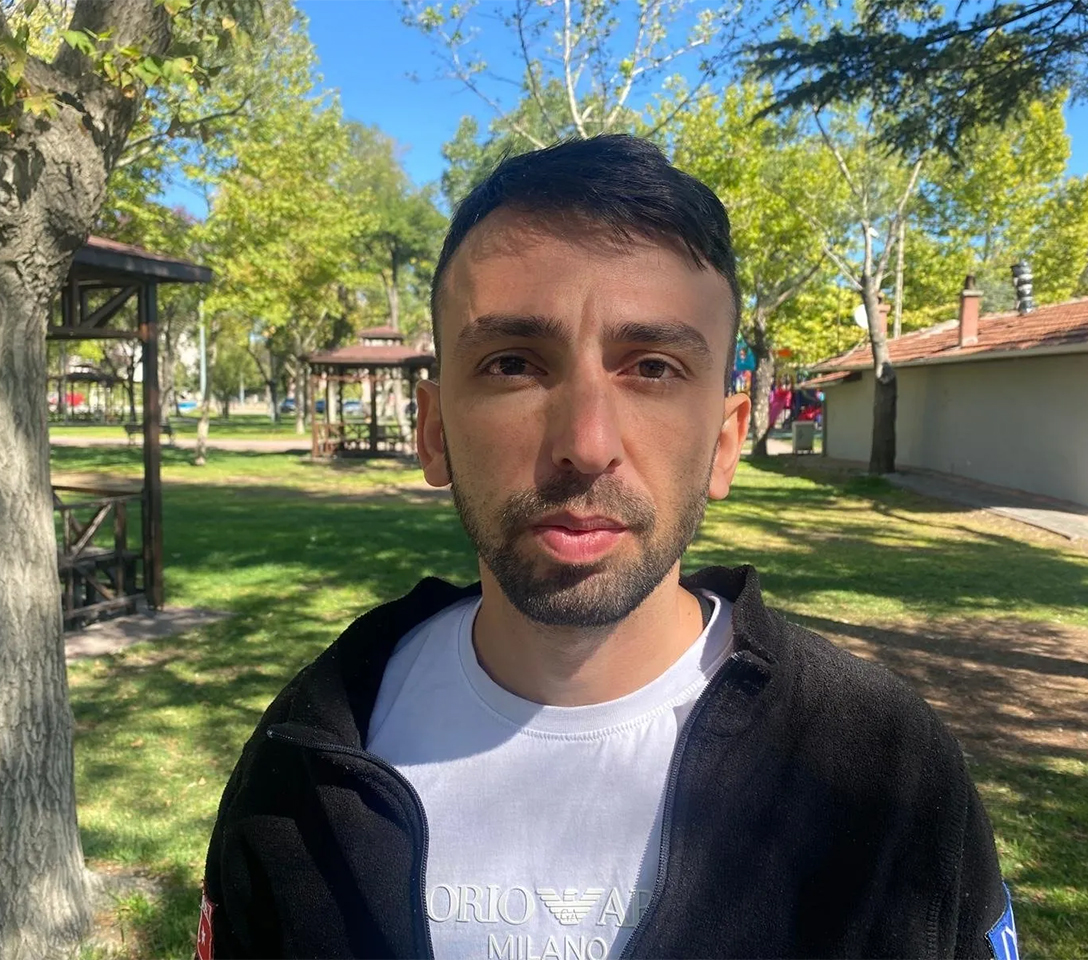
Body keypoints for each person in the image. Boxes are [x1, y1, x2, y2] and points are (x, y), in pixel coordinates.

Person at [197, 135, 1018, 960]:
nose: (586, 445)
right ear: (435, 431)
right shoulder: (304, 759)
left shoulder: (887, 770)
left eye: (653, 368)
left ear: (725, 442)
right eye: (513, 364)